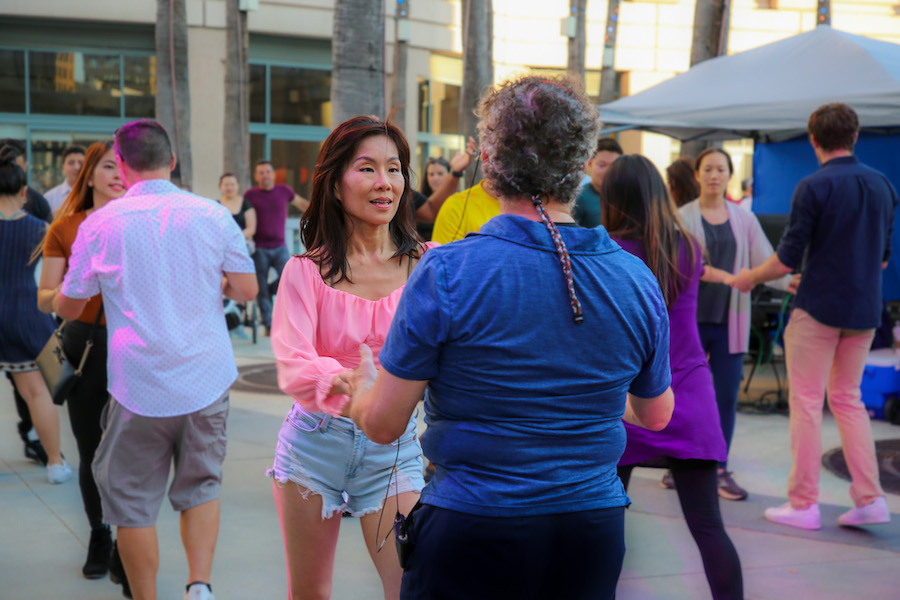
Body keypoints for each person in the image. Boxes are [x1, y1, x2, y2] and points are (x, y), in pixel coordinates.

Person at [349, 75, 674, 600]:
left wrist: (362, 391)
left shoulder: (448, 271)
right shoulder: (634, 278)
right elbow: (656, 414)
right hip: (590, 529)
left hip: (474, 523)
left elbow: (384, 424)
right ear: (582, 164)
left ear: (492, 162)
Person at [54, 119, 257, 600]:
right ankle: (199, 586)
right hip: (205, 379)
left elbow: (69, 302)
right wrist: (215, 287)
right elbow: (247, 290)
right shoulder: (211, 214)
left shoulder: (99, 224)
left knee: (130, 504)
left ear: (122, 167)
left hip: (137, 384)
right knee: (201, 486)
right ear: (172, 161)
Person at [267, 115, 431, 600]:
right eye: (367, 169)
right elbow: (294, 362)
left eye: (394, 169)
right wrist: (352, 381)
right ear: (335, 185)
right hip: (312, 449)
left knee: (410, 586)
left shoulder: (429, 266)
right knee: (310, 593)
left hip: (395, 451)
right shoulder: (305, 272)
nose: (384, 182)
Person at [733, 103, 896, 530]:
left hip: (819, 310)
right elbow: (881, 261)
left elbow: (786, 260)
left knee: (806, 403)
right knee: (848, 399)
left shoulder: (812, 186)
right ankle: (870, 498)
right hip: (864, 313)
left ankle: (804, 504)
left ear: (813, 140)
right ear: (855, 136)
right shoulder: (883, 186)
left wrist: (748, 277)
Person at [604, 154, 744, 600]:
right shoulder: (687, 246)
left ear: (614, 198)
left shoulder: (608, 252)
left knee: (606, 528)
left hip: (627, 403)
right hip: (688, 393)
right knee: (708, 528)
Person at [678, 147, 790, 501]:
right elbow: (678, 267)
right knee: (685, 397)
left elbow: (765, 263)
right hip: (691, 322)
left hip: (731, 322)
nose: (714, 175)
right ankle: (680, 463)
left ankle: (719, 467)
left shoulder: (745, 219)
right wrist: (727, 277)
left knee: (725, 397)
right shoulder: (680, 217)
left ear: (729, 176)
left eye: (721, 169)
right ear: (696, 175)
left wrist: (790, 282)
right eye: (707, 169)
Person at [36, 141, 124, 578]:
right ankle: (98, 532)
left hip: (137, 348)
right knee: (92, 450)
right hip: (86, 345)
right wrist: (77, 289)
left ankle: (129, 544)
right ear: (88, 174)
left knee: (129, 454)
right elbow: (44, 296)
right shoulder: (66, 227)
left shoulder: (148, 224)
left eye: (124, 167)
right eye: (108, 166)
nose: (117, 174)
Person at [0, 147, 72, 484]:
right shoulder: (42, 228)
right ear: (24, 192)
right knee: (37, 393)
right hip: (27, 315)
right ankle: (55, 464)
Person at [243, 160, 309, 335]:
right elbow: (243, 216)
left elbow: (302, 204)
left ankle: (290, 318)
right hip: (260, 249)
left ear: (273, 174)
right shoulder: (250, 195)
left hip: (280, 246)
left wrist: (319, 215)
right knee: (261, 289)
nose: (265, 175)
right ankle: (270, 325)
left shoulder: (284, 191)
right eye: (261, 172)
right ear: (257, 176)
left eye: (267, 171)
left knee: (289, 278)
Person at [572, 137, 623, 228]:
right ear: (589, 164)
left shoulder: (627, 198)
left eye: (614, 165)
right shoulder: (578, 199)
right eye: (602, 165)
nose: (608, 171)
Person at [218, 172, 256, 250]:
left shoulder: (246, 203)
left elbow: (251, 229)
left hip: (243, 243)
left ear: (238, 186)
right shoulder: (216, 205)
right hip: (222, 243)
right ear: (220, 187)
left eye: (232, 184)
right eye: (226, 185)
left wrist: (235, 238)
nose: (229, 188)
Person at [45, 145, 86, 215]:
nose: (77, 167)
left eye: (80, 163)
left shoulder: (95, 195)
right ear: (63, 167)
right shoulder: (50, 197)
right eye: (71, 163)